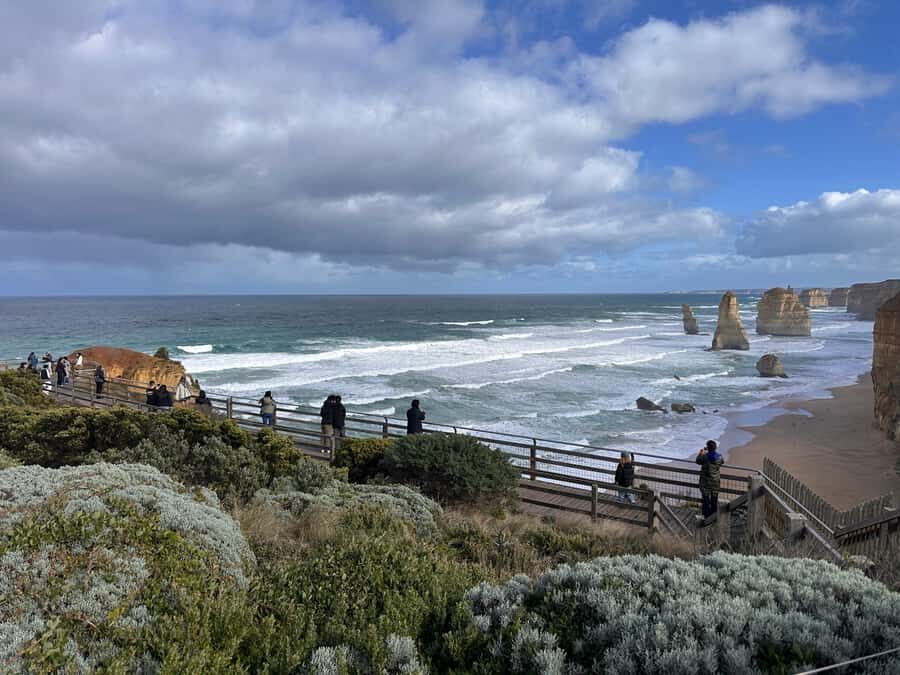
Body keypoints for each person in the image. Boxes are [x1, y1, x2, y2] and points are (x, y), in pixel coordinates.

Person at [696, 440, 724, 518]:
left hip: (705, 482)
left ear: (708, 447)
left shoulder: (704, 457)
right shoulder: (720, 456)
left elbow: (698, 461)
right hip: (715, 481)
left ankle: (706, 516)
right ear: (715, 448)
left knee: (705, 499)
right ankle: (713, 516)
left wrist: (701, 453)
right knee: (714, 499)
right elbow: (722, 462)